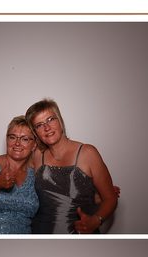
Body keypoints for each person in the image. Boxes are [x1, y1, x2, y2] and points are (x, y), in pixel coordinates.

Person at [25, 99, 118, 234]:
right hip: (41, 235)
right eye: (39, 125)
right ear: (35, 133)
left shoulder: (88, 153)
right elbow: (21, 189)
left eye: (50, 119)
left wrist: (96, 220)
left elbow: (110, 199)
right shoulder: (36, 155)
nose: (47, 127)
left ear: (60, 120)